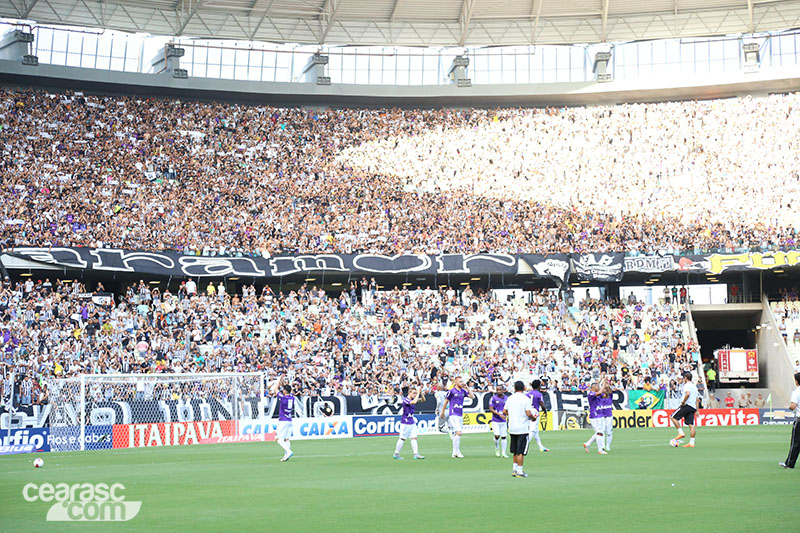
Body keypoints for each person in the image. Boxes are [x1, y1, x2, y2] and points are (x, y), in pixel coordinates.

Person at [503, 380, 538, 478]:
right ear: (524, 388)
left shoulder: (510, 398)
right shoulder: (525, 399)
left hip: (512, 427)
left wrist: (513, 414)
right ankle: (520, 471)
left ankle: (514, 469)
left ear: (514, 388)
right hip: (522, 428)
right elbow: (528, 413)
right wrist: (533, 418)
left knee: (514, 450)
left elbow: (504, 411)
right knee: (521, 451)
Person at [440, 376, 475, 458]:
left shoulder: (463, 391)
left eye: (462, 381)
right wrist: (442, 412)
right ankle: (457, 452)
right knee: (459, 432)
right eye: (460, 381)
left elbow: (472, 397)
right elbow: (445, 402)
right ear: (455, 382)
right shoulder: (451, 391)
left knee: (457, 434)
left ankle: (455, 452)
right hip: (453, 414)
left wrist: (467, 388)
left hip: (460, 414)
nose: (462, 383)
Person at [393, 386, 425, 460]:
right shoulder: (405, 400)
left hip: (412, 421)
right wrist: (418, 394)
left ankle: (416, 454)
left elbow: (423, 400)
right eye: (414, 393)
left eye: (415, 393)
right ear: (409, 393)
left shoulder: (414, 399)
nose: (415, 395)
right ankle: (396, 453)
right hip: (405, 422)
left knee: (414, 438)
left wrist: (421, 393)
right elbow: (414, 402)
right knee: (402, 438)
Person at [270, 376, 295, 462]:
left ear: (284, 391)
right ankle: (286, 455)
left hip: (283, 421)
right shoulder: (292, 397)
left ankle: (288, 452)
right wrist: (283, 381)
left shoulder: (283, 397)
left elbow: (275, 389)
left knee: (278, 439)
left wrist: (279, 379)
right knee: (286, 439)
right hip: (289, 420)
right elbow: (287, 389)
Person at [671, 371, 699, 448]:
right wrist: (697, 410)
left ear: (686, 378)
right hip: (692, 407)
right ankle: (692, 443)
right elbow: (697, 399)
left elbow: (687, 394)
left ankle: (681, 433)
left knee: (673, 417)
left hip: (687, 405)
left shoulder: (686, 385)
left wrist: (683, 402)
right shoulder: (694, 387)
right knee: (691, 425)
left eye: (684, 378)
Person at [778, 372, 800, 469]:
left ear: (796, 381)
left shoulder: (796, 392)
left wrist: (789, 407)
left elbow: (793, 406)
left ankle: (790, 464)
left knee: (795, 442)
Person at [583, 381, 607, 455]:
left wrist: (606, 387)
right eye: (598, 386)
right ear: (594, 387)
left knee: (600, 432)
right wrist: (603, 384)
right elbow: (599, 393)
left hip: (599, 414)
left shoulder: (597, 394)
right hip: (594, 415)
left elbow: (605, 395)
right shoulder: (591, 394)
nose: (599, 388)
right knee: (599, 432)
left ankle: (587, 444)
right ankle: (600, 450)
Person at [526, 380, 549, 453]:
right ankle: (525, 446)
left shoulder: (527, 394)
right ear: (538, 386)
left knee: (535, 431)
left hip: (528, 411)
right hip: (535, 411)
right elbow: (541, 403)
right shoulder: (539, 394)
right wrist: (545, 410)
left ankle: (541, 447)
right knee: (532, 430)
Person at [488, 383, 509, 458]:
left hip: (503, 421)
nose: (498, 391)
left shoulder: (506, 398)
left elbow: (508, 408)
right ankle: (497, 448)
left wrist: (507, 414)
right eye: (497, 390)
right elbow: (491, 408)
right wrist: (499, 414)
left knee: (504, 436)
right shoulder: (493, 398)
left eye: (500, 390)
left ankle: (503, 453)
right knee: (497, 436)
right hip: (495, 420)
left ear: (503, 390)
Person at [597, 378, 614, 452]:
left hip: (609, 416)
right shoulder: (600, 396)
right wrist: (603, 385)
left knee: (609, 432)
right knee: (602, 431)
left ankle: (608, 446)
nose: (605, 391)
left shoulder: (610, 396)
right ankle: (603, 446)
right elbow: (600, 392)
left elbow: (610, 391)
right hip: (602, 416)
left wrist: (607, 385)